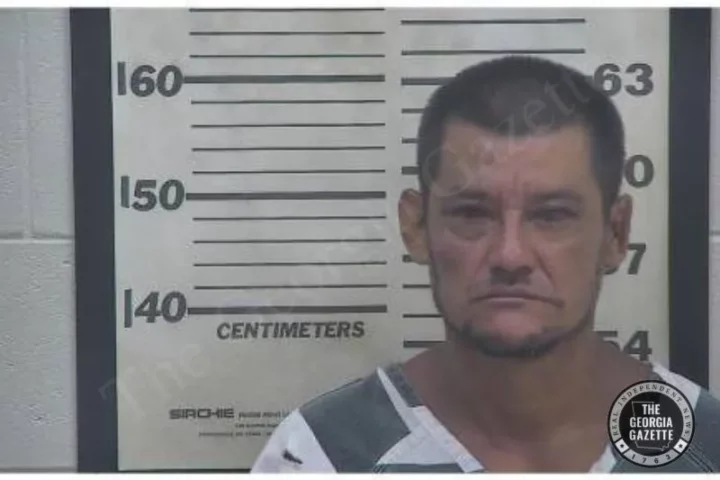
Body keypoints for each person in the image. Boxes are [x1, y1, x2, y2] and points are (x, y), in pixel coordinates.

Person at [250, 55, 720, 473]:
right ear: (416, 227)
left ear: (615, 234)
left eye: (552, 216)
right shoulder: (323, 455)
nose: (509, 255)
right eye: (471, 213)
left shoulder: (707, 445)